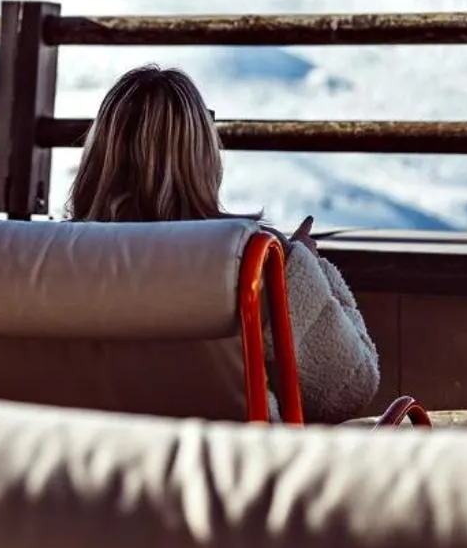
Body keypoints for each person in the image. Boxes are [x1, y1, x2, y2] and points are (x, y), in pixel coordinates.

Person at [65, 65, 380, 423]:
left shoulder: (49, 261)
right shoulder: (257, 261)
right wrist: (311, 270)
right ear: (203, 157)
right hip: (228, 470)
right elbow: (352, 387)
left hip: (88, 467)